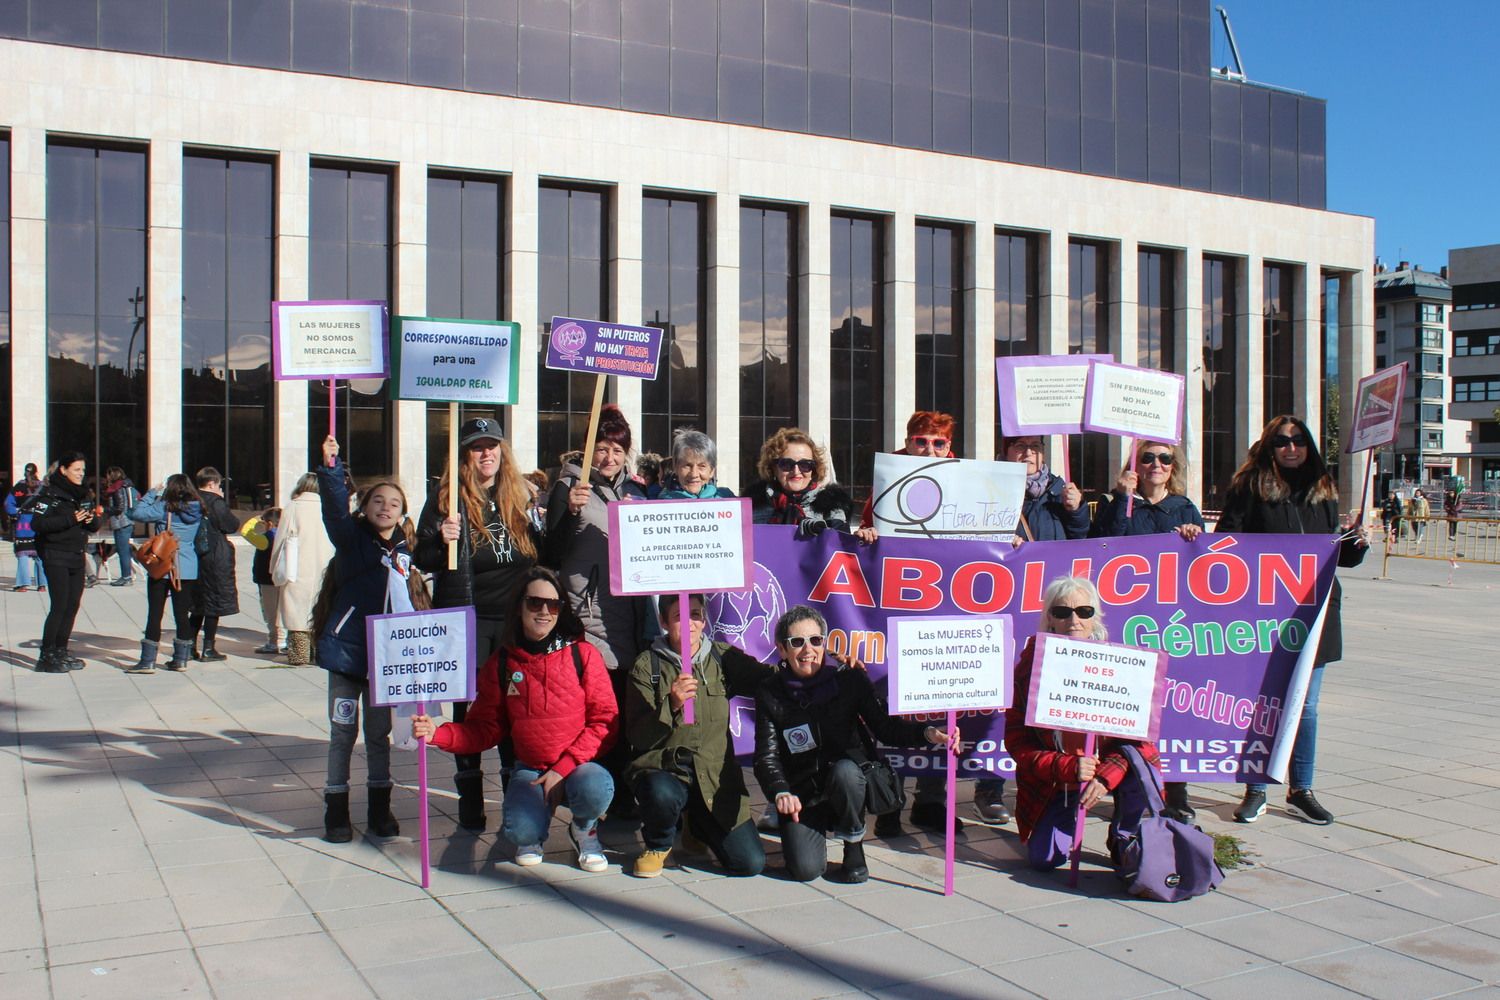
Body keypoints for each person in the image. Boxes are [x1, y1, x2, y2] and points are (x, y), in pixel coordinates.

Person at [860, 411, 1008, 834]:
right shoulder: (888, 484)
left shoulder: (969, 487)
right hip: (895, 615)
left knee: (939, 705)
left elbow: (987, 541)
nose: (929, 450)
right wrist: (866, 534)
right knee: (895, 706)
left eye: (938, 444)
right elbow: (866, 541)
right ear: (906, 443)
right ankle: (890, 801)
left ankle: (932, 799)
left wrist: (1008, 542)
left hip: (945, 616)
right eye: (921, 442)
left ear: (950, 448)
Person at [413, 568, 618, 872]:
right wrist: (438, 733)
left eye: (554, 604)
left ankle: (584, 829)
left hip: (577, 766)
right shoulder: (503, 662)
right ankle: (534, 827)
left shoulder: (583, 655)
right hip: (531, 769)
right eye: (535, 603)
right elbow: (484, 728)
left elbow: (604, 722)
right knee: (521, 831)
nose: (545, 611)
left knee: (595, 788)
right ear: (519, 606)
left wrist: (563, 769)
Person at [1218, 416, 1369, 826]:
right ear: (1268, 446)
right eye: (1281, 441)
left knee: (1307, 707)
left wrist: (1358, 542)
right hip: (1265, 613)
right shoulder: (1249, 489)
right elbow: (1225, 543)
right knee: (1265, 702)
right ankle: (1256, 788)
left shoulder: (1322, 491)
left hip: (1317, 613)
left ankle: (1301, 788)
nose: (1290, 447)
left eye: (1298, 440)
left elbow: (1339, 556)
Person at [753, 605, 960, 883]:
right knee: (805, 870)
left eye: (815, 640)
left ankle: (854, 845)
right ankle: (811, 835)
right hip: (804, 791)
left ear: (824, 644)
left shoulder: (849, 679)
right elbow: (766, 756)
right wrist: (780, 792)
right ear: (782, 649)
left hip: (847, 782)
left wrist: (928, 733)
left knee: (846, 771)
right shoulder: (770, 691)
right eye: (797, 642)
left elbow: (886, 728)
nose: (807, 650)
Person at [414, 417, 541, 833]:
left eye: (492, 445)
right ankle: (469, 794)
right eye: (476, 447)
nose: (486, 453)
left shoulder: (519, 496)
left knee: (510, 705)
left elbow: (546, 549)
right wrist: (440, 538)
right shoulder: (446, 499)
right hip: (466, 619)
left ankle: (512, 799)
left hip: (511, 624)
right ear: (464, 456)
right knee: (466, 710)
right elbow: (423, 558)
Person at [313, 435, 431, 843]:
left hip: (387, 660)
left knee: (379, 736)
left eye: (394, 504)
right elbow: (332, 511)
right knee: (342, 733)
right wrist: (331, 469)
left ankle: (381, 810)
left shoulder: (406, 551)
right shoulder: (352, 540)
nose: (385, 508)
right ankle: (336, 811)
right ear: (365, 507)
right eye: (378, 501)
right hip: (348, 656)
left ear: (402, 515)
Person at [1006, 576, 1163, 866]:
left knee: (1143, 769)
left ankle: (1124, 832)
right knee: (1045, 859)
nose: (1074, 620)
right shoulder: (1031, 667)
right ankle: (1067, 815)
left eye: (1084, 611)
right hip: (1059, 780)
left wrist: (1105, 777)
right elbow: (1016, 740)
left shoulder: (1120, 664)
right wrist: (1067, 767)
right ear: (1050, 618)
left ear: (1095, 616)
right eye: (1063, 612)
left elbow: (1139, 742)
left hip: (1106, 769)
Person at [1088, 439, 1204, 824]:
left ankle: (1177, 792)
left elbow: (1199, 565)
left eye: (1164, 459)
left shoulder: (1184, 508)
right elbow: (1102, 544)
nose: (1156, 464)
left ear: (1174, 467)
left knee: (1170, 710)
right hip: (1126, 620)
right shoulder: (1117, 502)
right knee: (1129, 709)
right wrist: (1124, 497)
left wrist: (1194, 535)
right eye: (1148, 457)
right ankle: (1128, 786)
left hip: (1170, 624)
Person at [544, 404, 649, 812]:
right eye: (602, 449)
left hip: (631, 612)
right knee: (597, 709)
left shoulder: (636, 491)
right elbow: (550, 551)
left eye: (618, 451)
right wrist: (570, 511)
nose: (609, 458)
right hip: (590, 612)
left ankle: (621, 795)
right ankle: (593, 793)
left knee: (625, 705)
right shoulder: (570, 487)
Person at [626, 593, 771, 878]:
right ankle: (658, 844)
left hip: (714, 780)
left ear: (704, 620)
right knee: (661, 793)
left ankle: (697, 825)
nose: (690, 624)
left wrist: (814, 668)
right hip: (666, 771)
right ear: (664, 622)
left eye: (696, 615)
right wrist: (672, 704)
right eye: (680, 616)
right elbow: (638, 736)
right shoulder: (646, 666)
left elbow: (770, 680)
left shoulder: (721, 656)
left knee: (749, 863)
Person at [29, 453, 101, 672]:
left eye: (82, 470)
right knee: (59, 605)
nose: (81, 474)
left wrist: (90, 520)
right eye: (76, 469)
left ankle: (61, 650)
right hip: (55, 555)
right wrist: (71, 519)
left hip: (76, 555)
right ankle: (47, 655)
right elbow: (38, 524)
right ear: (64, 470)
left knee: (72, 606)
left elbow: (93, 524)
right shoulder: (50, 495)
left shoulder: (83, 494)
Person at [126, 475, 206, 673]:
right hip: (187, 566)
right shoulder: (199, 508)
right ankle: (181, 659)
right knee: (182, 615)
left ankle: (147, 661)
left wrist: (153, 492)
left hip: (163, 565)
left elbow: (136, 513)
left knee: (155, 612)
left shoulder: (164, 507)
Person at [746, 428, 875, 542]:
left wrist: (861, 539)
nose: (796, 471)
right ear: (773, 468)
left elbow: (841, 549)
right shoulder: (751, 507)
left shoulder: (831, 506)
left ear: (814, 469)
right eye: (786, 464)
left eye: (805, 465)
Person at [271, 472, 336, 666]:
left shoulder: (294, 507)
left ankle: (299, 655)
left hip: (297, 567)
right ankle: (320, 653)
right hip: (326, 566)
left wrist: (275, 567)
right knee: (322, 611)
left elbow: (281, 540)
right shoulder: (329, 506)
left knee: (297, 615)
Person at [189, 467, 241, 661]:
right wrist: (219, 498)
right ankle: (208, 648)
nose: (220, 489)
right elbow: (231, 525)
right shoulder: (215, 502)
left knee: (197, 605)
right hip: (214, 556)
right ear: (211, 484)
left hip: (196, 557)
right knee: (213, 604)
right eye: (219, 485)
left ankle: (189, 645)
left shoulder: (192, 499)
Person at [1000, 434, 1089, 541]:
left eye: (1035, 446)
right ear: (1006, 452)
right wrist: (1004, 543)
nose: (1028, 453)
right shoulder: (991, 491)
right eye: (1020, 446)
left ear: (1043, 452)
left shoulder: (1059, 491)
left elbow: (1080, 539)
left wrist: (1076, 511)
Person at [241, 507, 282, 654]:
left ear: (269, 523)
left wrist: (255, 519)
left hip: (267, 580)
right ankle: (283, 639)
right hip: (282, 579)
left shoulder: (265, 539)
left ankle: (274, 642)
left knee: (271, 613)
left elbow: (245, 532)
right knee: (282, 611)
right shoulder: (285, 536)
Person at [655, 430, 735, 499]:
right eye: (687, 466)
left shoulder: (727, 499)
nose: (694, 474)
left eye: (702, 466)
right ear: (676, 467)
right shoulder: (661, 506)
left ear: (712, 471)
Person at [6, 465, 48, 592]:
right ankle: (42, 584)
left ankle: (23, 584)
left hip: (23, 523)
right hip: (39, 522)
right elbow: (48, 503)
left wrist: (15, 513)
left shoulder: (19, 486)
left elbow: (8, 503)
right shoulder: (43, 487)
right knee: (40, 554)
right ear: (37, 472)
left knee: (22, 554)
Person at [102, 466, 140, 587]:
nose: (106, 478)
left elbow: (118, 508)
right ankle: (126, 575)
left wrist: (104, 509)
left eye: (108, 475)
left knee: (122, 550)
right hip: (127, 521)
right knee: (124, 550)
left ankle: (126, 577)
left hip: (121, 522)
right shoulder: (126, 486)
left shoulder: (118, 489)